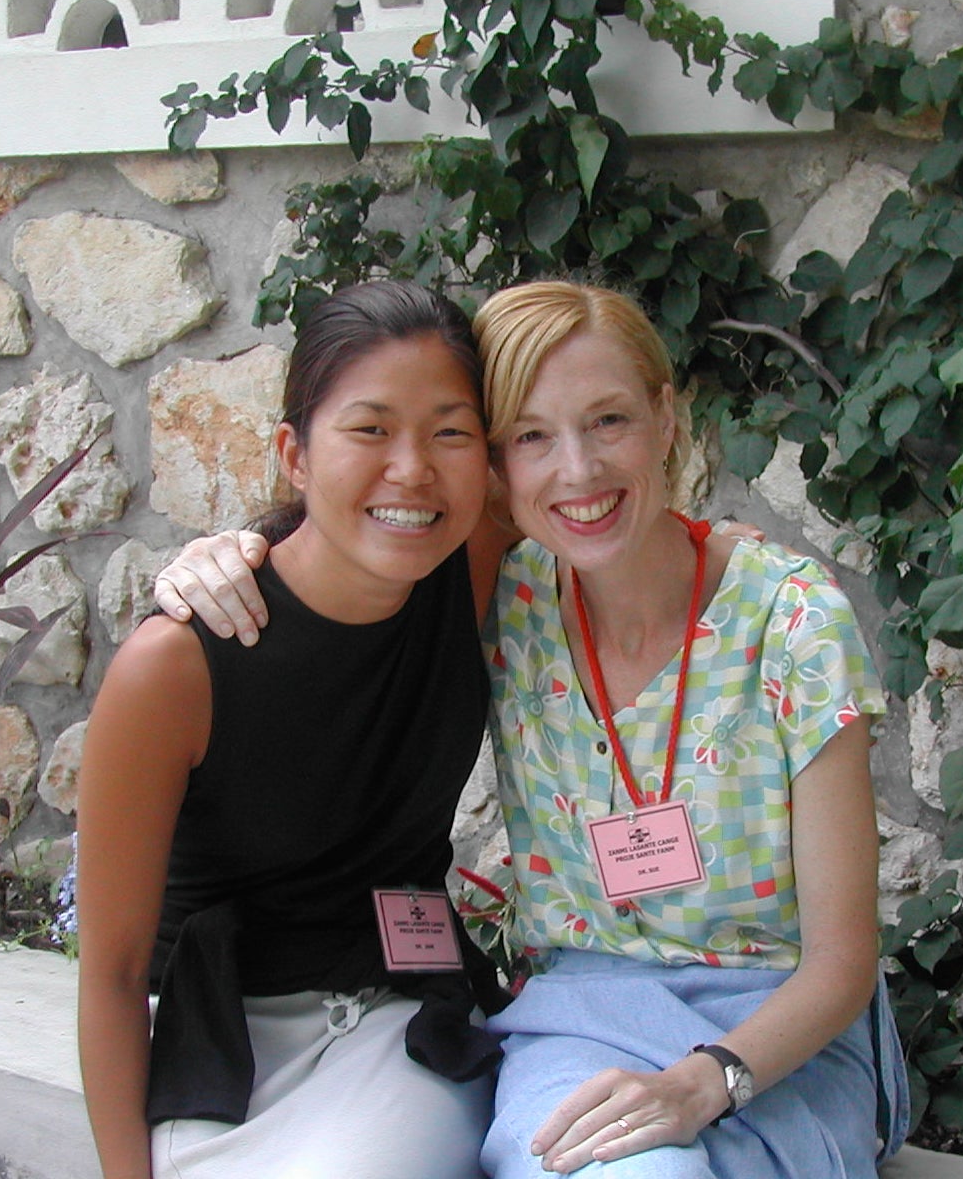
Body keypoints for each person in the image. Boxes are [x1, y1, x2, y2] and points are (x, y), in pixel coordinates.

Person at [156, 281, 908, 1178]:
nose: (578, 471)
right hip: (581, 1018)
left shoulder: (791, 623)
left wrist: (704, 1083)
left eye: (610, 421)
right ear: (500, 467)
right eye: (532, 437)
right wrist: (229, 555)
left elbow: (841, 965)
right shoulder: (509, 599)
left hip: (777, 1035)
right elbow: (346, 563)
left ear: (668, 419)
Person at [75, 280, 508, 1179]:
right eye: (369, 429)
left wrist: (728, 549)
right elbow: (112, 974)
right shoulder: (176, 669)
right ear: (293, 454)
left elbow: (605, 493)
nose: (414, 469)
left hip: (403, 1025)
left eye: (451, 432)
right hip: (220, 1049)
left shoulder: (469, 559)